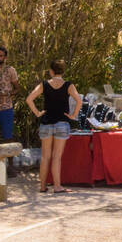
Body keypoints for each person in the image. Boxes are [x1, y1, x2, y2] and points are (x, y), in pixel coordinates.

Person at [25, 59, 82, 194]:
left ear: (51, 71)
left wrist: (38, 113)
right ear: (62, 71)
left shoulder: (44, 85)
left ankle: (43, 186)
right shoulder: (68, 85)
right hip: (62, 122)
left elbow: (29, 99)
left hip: (46, 123)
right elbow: (79, 100)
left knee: (45, 156)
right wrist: (73, 115)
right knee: (57, 157)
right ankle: (57, 186)